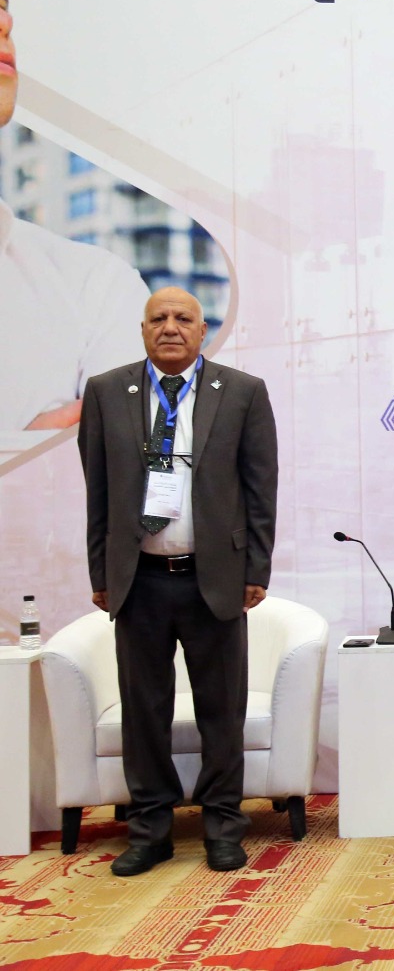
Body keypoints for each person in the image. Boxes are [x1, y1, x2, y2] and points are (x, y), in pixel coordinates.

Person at [79, 287, 278, 875]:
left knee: (222, 710)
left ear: (202, 330)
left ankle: (223, 825)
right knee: (144, 712)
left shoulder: (241, 391)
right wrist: (101, 571)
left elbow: (261, 489)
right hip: (138, 579)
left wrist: (256, 569)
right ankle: (150, 830)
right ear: (143, 329)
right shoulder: (106, 392)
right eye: (159, 318)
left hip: (214, 578)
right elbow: (97, 491)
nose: (170, 327)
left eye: (183, 318)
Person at [0, 0, 149, 454]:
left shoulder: (95, 287)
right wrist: (27, 451)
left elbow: (138, 470)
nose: (5, 21)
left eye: (3, 5)